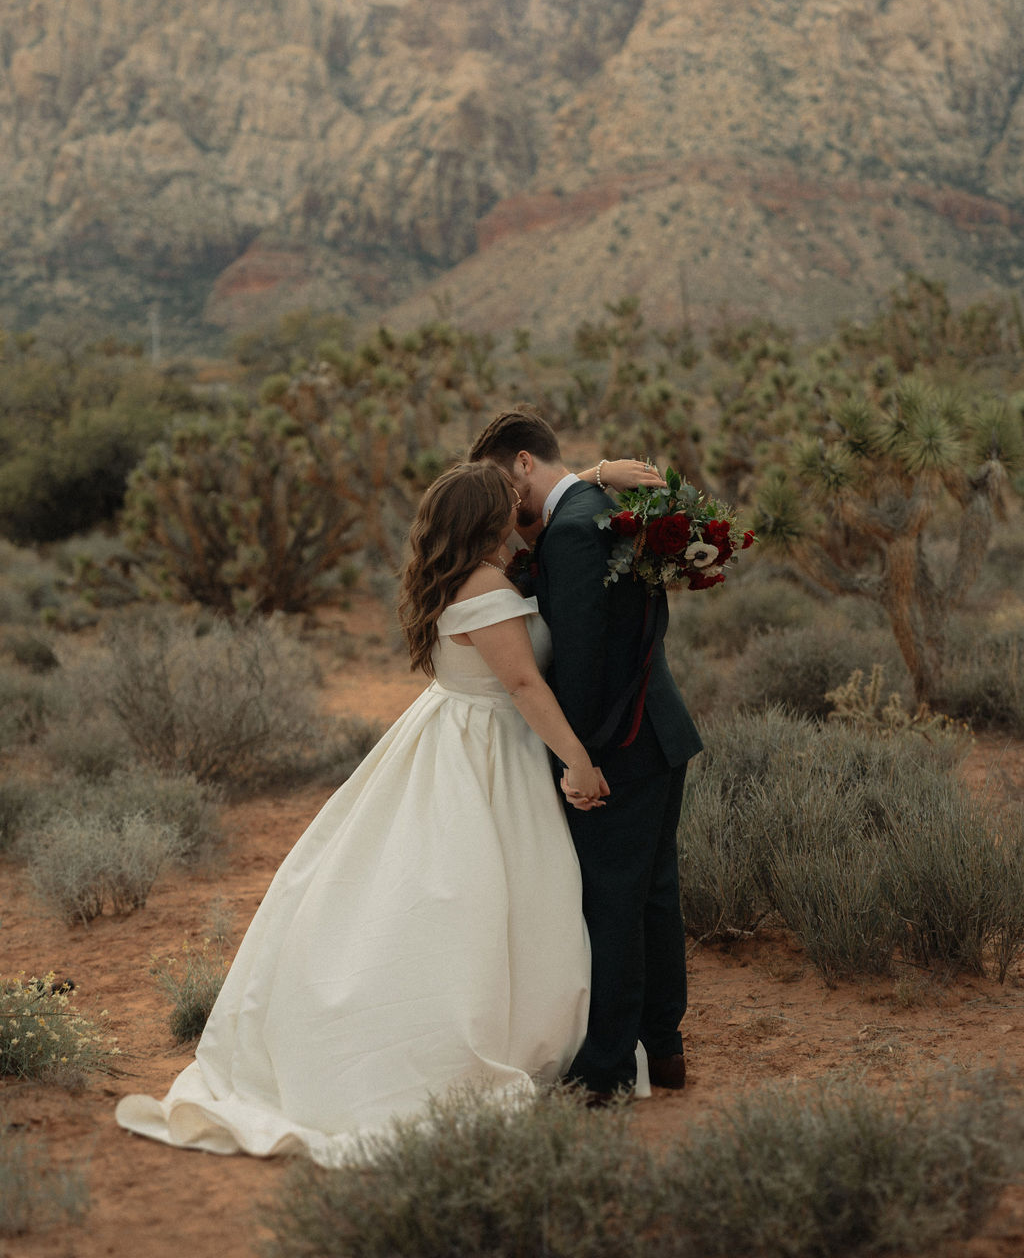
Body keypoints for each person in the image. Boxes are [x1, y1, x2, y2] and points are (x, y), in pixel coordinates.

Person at [115, 456, 651, 1166]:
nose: (523, 512)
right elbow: (523, 682)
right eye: (510, 505)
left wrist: (593, 471)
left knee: (453, 895)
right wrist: (578, 763)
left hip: (449, 734)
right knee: (476, 899)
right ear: (488, 523)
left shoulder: (454, 577)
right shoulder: (488, 587)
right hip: (488, 753)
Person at [469, 409, 704, 1101]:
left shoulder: (572, 532)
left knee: (612, 901)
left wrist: (577, 760)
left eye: (499, 483)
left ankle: (604, 1068)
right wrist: (597, 469)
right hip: (659, 728)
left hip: (617, 743)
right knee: (655, 893)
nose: (502, 508)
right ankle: (664, 1047)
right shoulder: (604, 503)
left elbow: (581, 663)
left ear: (520, 464)